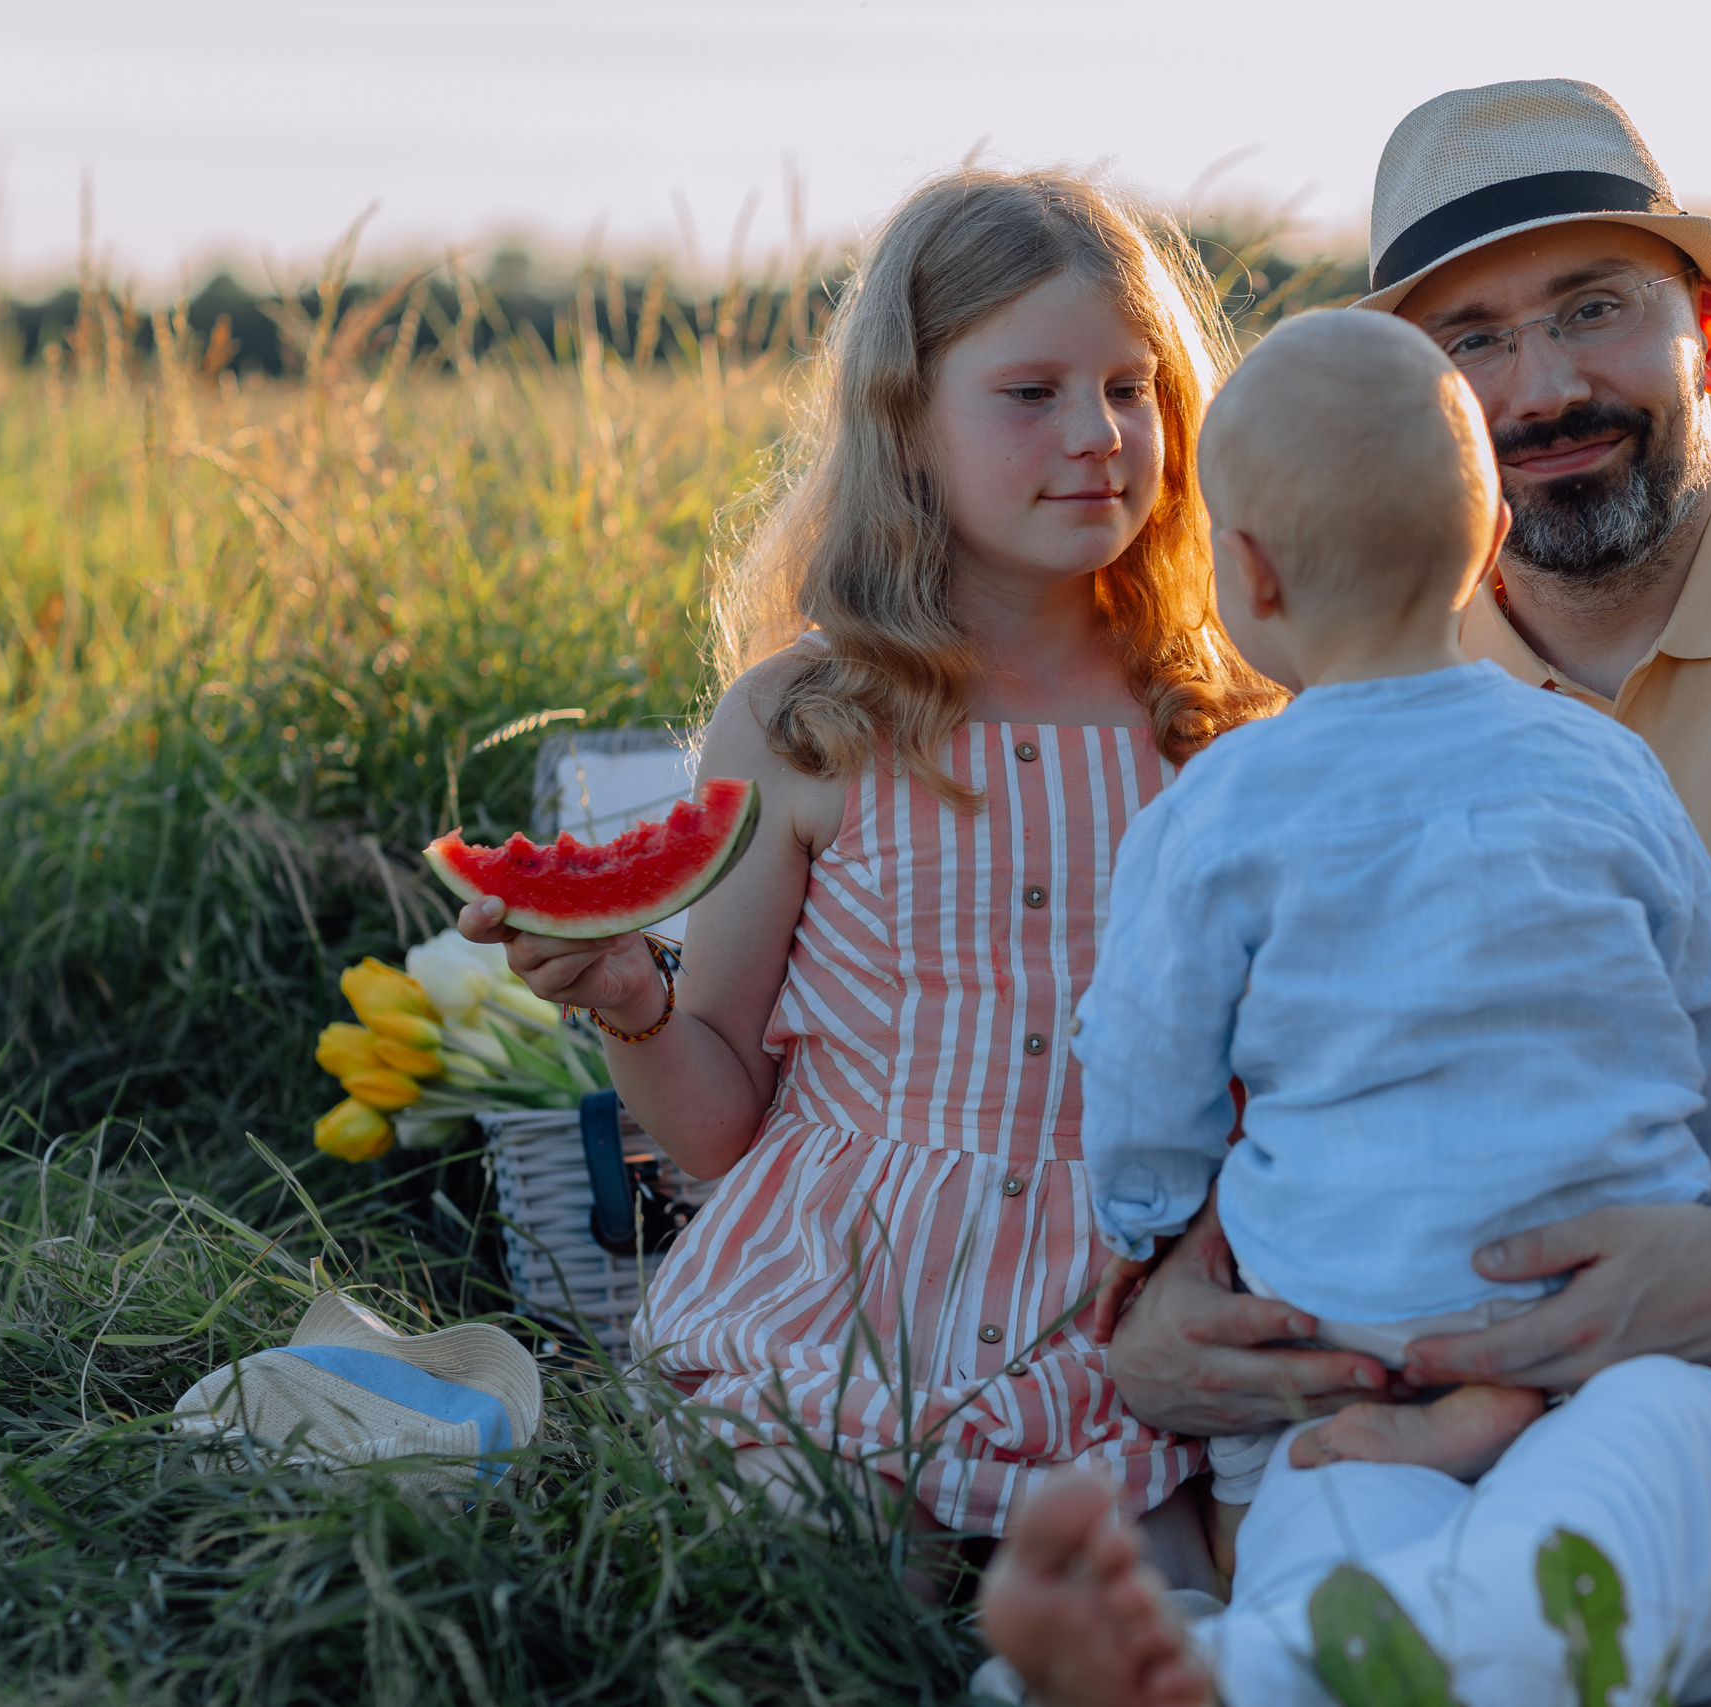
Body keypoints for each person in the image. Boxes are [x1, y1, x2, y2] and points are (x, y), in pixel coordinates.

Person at [983, 79, 1711, 1705]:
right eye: (1473, 337)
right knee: (1354, 1487)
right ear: (1429, 411)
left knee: (1657, 1440)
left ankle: (1234, 1679)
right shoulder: (1344, 719)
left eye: (1594, 309)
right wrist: (1163, 1307)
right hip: (1446, 1390)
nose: (1541, 385)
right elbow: (1236, 1082)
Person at [457, 166, 1277, 1590]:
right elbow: (714, 1127)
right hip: (840, 1322)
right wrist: (626, 998)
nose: (1096, 435)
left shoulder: (1219, 718)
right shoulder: (805, 719)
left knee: (1168, 1636)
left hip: (1128, 1329)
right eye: (1031, 392)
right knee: (820, 1597)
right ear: (906, 419)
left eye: (1133, 388)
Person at [1073, 310, 1711, 1581]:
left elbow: (1146, 1050)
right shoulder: (1606, 764)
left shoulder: (1216, 809)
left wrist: (1147, 1217)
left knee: (1254, 1462)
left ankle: (1253, 1590)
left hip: (1356, 1310)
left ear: (1250, 574)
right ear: (1495, 540)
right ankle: (1524, 1411)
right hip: (1613, 1289)